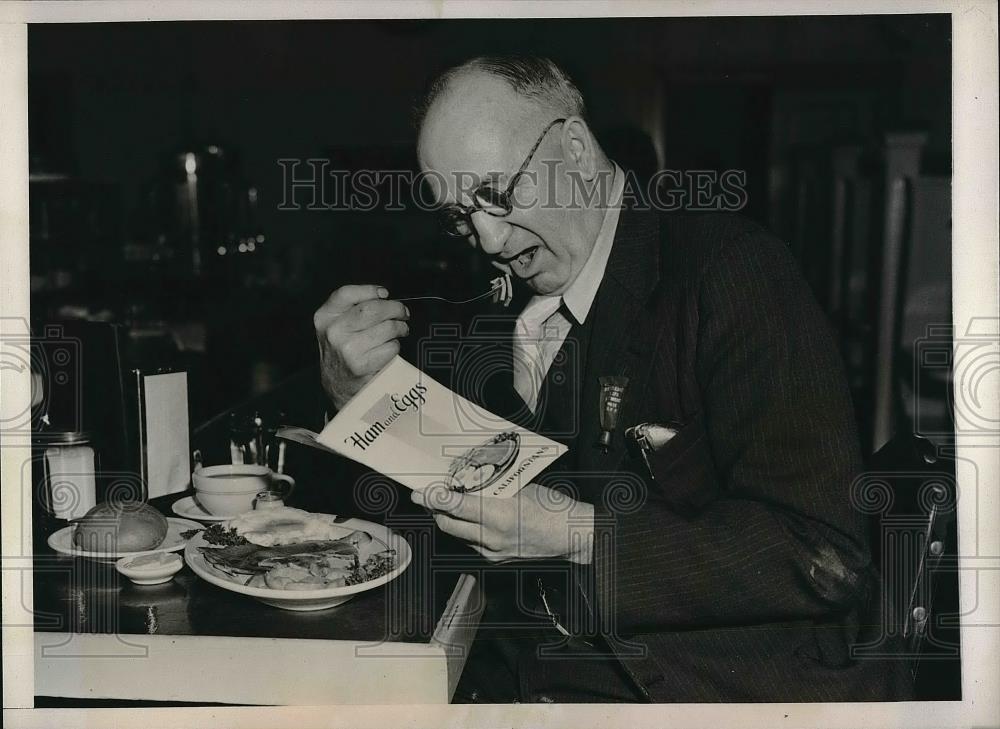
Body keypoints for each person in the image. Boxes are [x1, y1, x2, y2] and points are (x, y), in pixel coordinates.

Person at [313, 56, 912, 702]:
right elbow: (444, 512)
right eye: (460, 215)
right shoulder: (490, 304)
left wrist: (576, 532)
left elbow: (824, 556)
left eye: (497, 193)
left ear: (573, 148)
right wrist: (358, 400)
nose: (484, 238)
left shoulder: (732, 273)